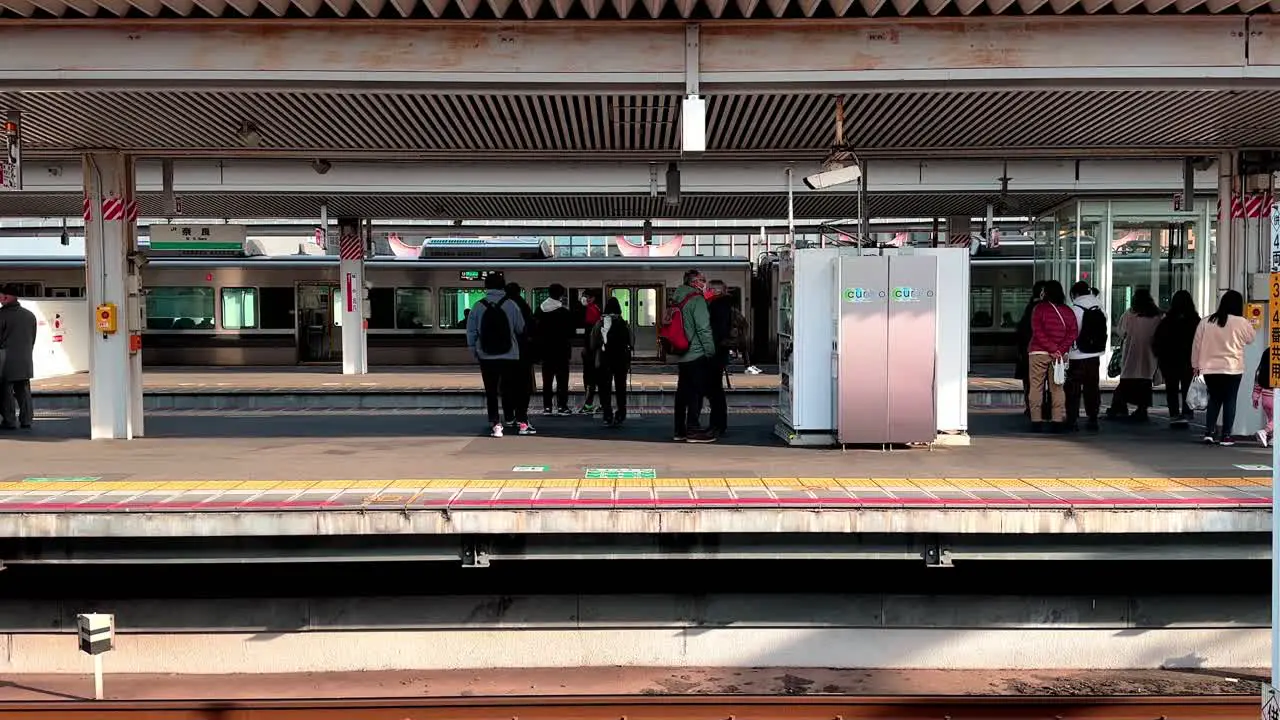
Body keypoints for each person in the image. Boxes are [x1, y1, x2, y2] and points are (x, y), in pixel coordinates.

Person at [466, 272, 532, 438]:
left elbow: (471, 332)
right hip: (509, 355)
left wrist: (475, 350)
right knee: (513, 388)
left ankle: (496, 425)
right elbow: (520, 328)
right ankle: (522, 423)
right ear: (503, 286)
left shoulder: (478, 306)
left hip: (486, 356)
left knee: (491, 391)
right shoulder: (511, 305)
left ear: (486, 287)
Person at [1193, 290, 1256, 446]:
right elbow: (1250, 339)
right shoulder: (1241, 322)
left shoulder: (1206, 322)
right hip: (1232, 368)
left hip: (1210, 369)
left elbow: (1196, 345)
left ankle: (1209, 432)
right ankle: (1226, 435)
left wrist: (1195, 365)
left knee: (1214, 399)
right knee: (1230, 400)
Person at [666, 269, 717, 442]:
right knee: (695, 393)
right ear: (694, 282)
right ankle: (693, 430)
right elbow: (703, 329)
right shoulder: (696, 300)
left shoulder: (677, 299)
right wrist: (711, 352)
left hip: (682, 352)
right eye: (702, 280)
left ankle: (679, 430)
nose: (704, 283)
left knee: (682, 394)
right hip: (696, 353)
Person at [1026, 279, 1077, 433]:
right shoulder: (1068, 311)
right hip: (1059, 356)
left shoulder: (1039, 309)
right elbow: (1073, 333)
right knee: (1057, 388)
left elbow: (1037, 331)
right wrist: (1059, 350)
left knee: (1036, 387)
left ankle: (1036, 421)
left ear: (1045, 292)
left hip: (1039, 353)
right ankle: (1057, 421)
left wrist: (1051, 348)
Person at [1107, 289, 1163, 422]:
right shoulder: (1157, 316)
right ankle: (1142, 410)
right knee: (1145, 383)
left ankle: (1119, 407)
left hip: (1131, 353)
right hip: (1149, 355)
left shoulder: (1129, 314)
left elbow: (1121, 332)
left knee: (1127, 381)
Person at [1153, 290, 1200, 428]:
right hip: (1188, 360)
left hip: (1169, 360)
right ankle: (1187, 411)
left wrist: (1159, 356)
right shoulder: (1195, 320)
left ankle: (1174, 414)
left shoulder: (1167, 321)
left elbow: (1158, 340)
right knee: (1187, 387)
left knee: (1171, 389)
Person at [1065, 280, 1105, 432]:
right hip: (1095, 355)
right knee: (1092, 388)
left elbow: (1073, 331)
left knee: (1073, 389)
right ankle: (1093, 418)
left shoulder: (1075, 309)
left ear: (1075, 294)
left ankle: (1072, 420)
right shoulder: (1099, 307)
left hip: (1077, 355)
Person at [590, 296, 633, 428]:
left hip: (605, 359)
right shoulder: (623, 323)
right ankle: (621, 413)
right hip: (621, 360)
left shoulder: (600, 323)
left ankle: (607, 415)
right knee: (621, 388)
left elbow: (592, 343)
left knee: (604, 388)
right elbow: (631, 341)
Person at [534, 283, 575, 415]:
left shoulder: (539, 310)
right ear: (561, 295)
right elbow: (571, 332)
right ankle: (562, 406)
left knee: (547, 380)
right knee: (562, 380)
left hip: (546, 352)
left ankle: (547, 407)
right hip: (562, 351)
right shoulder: (564, 312)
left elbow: (536, 332)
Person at [0, 284, 36, 431]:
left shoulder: (1, 315)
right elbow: (32, 339)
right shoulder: (29, 315)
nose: (1, 299)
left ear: (8, 296)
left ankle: (9, 421)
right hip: (25, 359)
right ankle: (26, 420)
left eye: (2, 296)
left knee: (5, 392)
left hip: (5, 360)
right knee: (24, 391)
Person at [505, 282, 537, 431]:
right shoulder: (522, 306)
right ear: (519, 292)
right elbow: (527, 329)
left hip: (503, 353)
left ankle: (508, 416)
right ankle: (521, 417)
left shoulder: (501, 305)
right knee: (523, 386)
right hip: (522, 353)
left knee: (507, 384)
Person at [704, 279, 733, 436]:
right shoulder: (725, 304)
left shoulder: (718, 305)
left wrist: (709, 349)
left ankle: (717, 425)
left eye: (708, 289)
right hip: (719, 353)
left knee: (714, 391)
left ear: (715, 291)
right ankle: (717, 424)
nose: (706, 292)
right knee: (715, 391)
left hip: (716, 354)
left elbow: (718, 331)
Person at [1015, 281, 1047, 419]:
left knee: (1031, 383)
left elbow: (1022, 333)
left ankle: (1032, 409)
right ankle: (1043, 410)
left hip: (1028, 352)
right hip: (1043, 352)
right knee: (1046, 383)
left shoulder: (1029, 309)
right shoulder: (1044, 309)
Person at [578, 289, 603, 414]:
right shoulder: (597, 309)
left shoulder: (590, 310)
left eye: (586, 296)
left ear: (592, 298)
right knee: (598, 378)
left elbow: (590, 333)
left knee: (589, 378)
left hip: (591, 351)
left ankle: (588, 405)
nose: (584, 299)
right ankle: (601, 404)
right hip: (596, 351)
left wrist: (586, 348)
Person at [1253, 348, 1273, 447]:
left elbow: (1257, 384)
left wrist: (1255, 397)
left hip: (1265, 399)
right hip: (1275, 397)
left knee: (1271, 420)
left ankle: (1272, 439)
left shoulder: (1262, 371)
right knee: (1276, 421)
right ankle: (1264, 432)